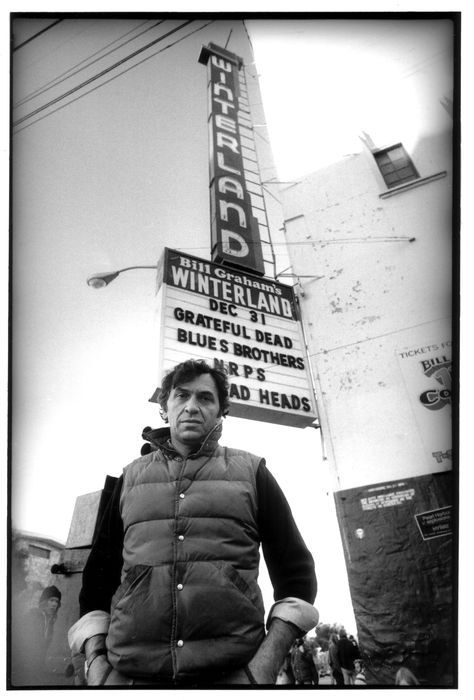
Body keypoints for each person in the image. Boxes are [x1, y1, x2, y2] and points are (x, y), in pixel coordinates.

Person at [68, 359, 318, 686]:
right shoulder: (130, 478)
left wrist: (265, 665)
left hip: (234, 676)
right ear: (165, 408)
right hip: (129, 677)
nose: (191, 407)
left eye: (204, 398)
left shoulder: (253, 472)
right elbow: (97, 581)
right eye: (181, 396)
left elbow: (296, 575)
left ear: (220, 411)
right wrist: (97, 663)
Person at [11, 585, 62, 685]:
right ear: (44, 601)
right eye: (51, 600)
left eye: (56, 601)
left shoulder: (50, 620)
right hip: (24, 666)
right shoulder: (34, 615)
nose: (54, 604)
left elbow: (44, 646)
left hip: (37, 667)